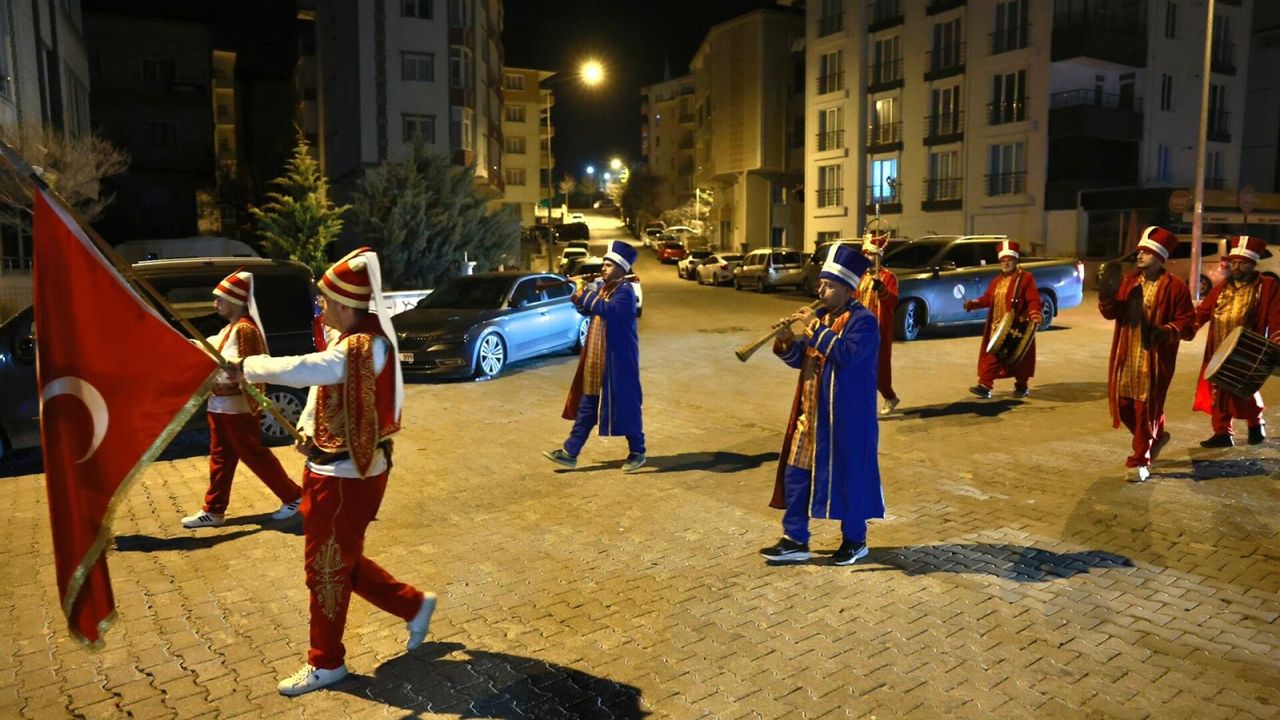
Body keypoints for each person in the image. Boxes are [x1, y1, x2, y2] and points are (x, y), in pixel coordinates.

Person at [231, 248, 436, 696]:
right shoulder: (350, 340)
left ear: (344, 304)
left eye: (325, 299)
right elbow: (321, 390)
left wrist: (248, 366)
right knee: (340, 559)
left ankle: (326, 662)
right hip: (332, 469)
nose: (321, 305)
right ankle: (413, 605)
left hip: (347, 476)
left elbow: (311, 369)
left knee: (324, 568)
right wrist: (308, 428)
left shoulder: (365, 345)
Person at [760, 244, 885, 566]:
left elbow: (847, 356)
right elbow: (802, 360)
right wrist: (786, 340)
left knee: (850, 478)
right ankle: (795, 540)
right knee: (795, 475)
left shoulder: (864, 322)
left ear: (846, 289)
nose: (820, 290)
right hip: (811, 417)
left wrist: (815, 327)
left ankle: (855, 541)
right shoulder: (826, 317)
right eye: (821, 284)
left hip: (845, 420)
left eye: (828, 285)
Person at [181, 270, 302, 529]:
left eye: (220, 299)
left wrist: (220, 362)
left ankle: (293, 496)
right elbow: (211, 347)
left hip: (237, 408)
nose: (215, 304)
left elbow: (248, 364)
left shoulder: (245, 330)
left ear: (235, 300)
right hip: (219, 406)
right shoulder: (230, 329)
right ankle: (214, 510)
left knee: (253, 455)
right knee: (221, 460)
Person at [1098, 227, 1196, 483]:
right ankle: (1155, 435)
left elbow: (1188, 324)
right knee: (1123, 405)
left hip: (1154, 359)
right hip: (1126, 355)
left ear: (1160, 257)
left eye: (1147, 252)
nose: (1140, 255)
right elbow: (1112, 313)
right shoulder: (1130, 281)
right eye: (1140, 251)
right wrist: (1106, 294)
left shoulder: (1175, 287)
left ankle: (1140, 460)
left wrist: (1165, 331)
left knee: (1145, 410)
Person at [543, 240, 646, 472]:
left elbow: (609, 310)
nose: (603, 268)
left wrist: (585, 294)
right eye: (604, 264)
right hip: (597, 356)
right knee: (587, 406)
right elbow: (586, 308)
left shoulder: (626, 291)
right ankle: (570, 452)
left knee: (627, 405)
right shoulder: (605, 289)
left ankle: (638, 451)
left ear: (621, 269)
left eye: (608, 265)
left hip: (618, 360)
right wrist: (579, 291)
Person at [1191, 235, 1280, 447]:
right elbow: (1202, 313)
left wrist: (1277, 340)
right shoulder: (1222, 287)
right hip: (1218, 348)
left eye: (1242, 262)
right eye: (1233, 262)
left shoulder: (1266, 286)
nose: (1236, 267)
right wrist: (1186, 328)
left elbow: (1276, 316)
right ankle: (1222, 432)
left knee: (1243, 389)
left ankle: (1255, 423)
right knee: (1218, 391)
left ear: (1253, 263)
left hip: (1246, 348)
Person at [962, 240, 1043, 399]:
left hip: (1017, 326)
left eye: (1009, 260)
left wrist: (1035, 313)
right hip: (997, 327)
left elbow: (1033, 299)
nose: (1006, 263)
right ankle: (985, 385)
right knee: (993, 355)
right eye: (1003, 261)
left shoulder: (1025, 278)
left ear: (1016, 260)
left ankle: (1022, 386)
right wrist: (973, 304)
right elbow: (988, 298)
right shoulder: (997, 280)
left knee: (1019, 358)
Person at [856, 233, 901, 415]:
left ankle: (890, 396)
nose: (868, 257)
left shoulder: (888, 277)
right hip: (860, 330)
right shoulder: (860, 277)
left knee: (880, 367)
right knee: (860, 367)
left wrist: (881, 289)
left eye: (871, 254)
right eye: (866, 254)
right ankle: (864, 404)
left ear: (879, 256)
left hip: (879, 329)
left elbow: (893, 301)